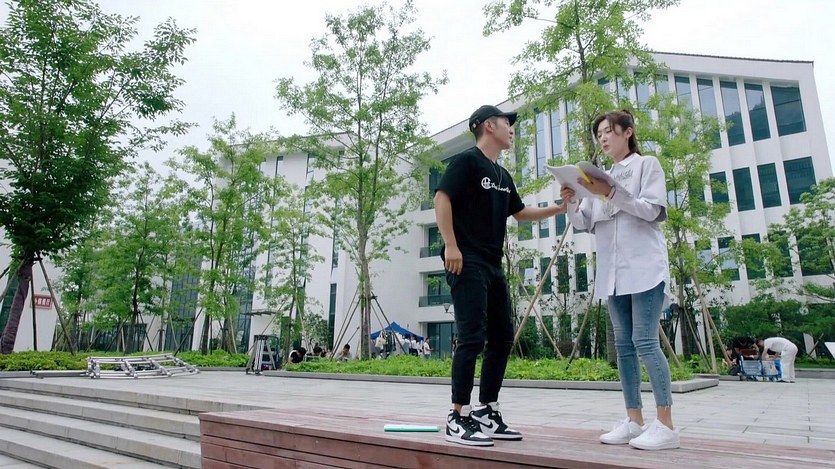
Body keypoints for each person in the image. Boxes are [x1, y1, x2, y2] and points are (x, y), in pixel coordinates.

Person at [434, 104, 567, 447]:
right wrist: (451, 245)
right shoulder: (466, 162)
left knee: (503, 338)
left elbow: (519, 213)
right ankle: (457, 416)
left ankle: (486, 411)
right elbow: (442, 198)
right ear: (489, 126)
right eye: (508, 123)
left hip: (493, 263)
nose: (512, 129)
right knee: (472, 337)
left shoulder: (503, 175)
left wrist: (558, 208)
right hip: (465, 259)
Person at [561, 110, 678, 451]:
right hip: (612, 274)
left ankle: (666, 425)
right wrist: (572, 201)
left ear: (628, 132)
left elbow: (652, 210)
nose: (603, 138)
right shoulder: (600, 178)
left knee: (645, 341)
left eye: (608, 131)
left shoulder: (646, 166)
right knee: (624, 347)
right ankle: (634, 420)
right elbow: (585, 223)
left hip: (644, 269)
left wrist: (611, 193)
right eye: (599, 133)